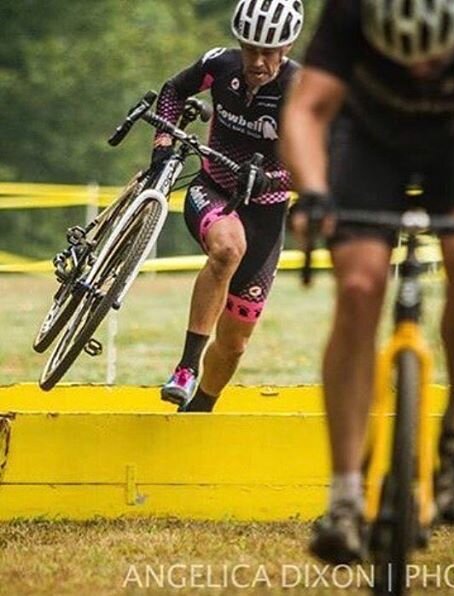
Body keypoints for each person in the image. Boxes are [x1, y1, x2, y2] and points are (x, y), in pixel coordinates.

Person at [282, 0, 454, 563]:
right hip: (368, 142)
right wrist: (311, 190)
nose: (419, 72)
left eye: (432, 58)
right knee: (358, 288)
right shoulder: (351, 10)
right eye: (401, 57)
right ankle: (344, 497)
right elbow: (306, 112)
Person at [156, 0, 303, 412]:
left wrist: (274, 178)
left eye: (268, 52)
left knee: (235, 343)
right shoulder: (219, 64)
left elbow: (316, 163)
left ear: (287, 46)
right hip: (214, 190)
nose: (257, 61)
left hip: (267, 214)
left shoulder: (300, 89)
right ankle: (186, 368)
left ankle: (199, 412)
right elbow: (172, 90)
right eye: (250, 48)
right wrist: (162, 144)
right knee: (227, 247)